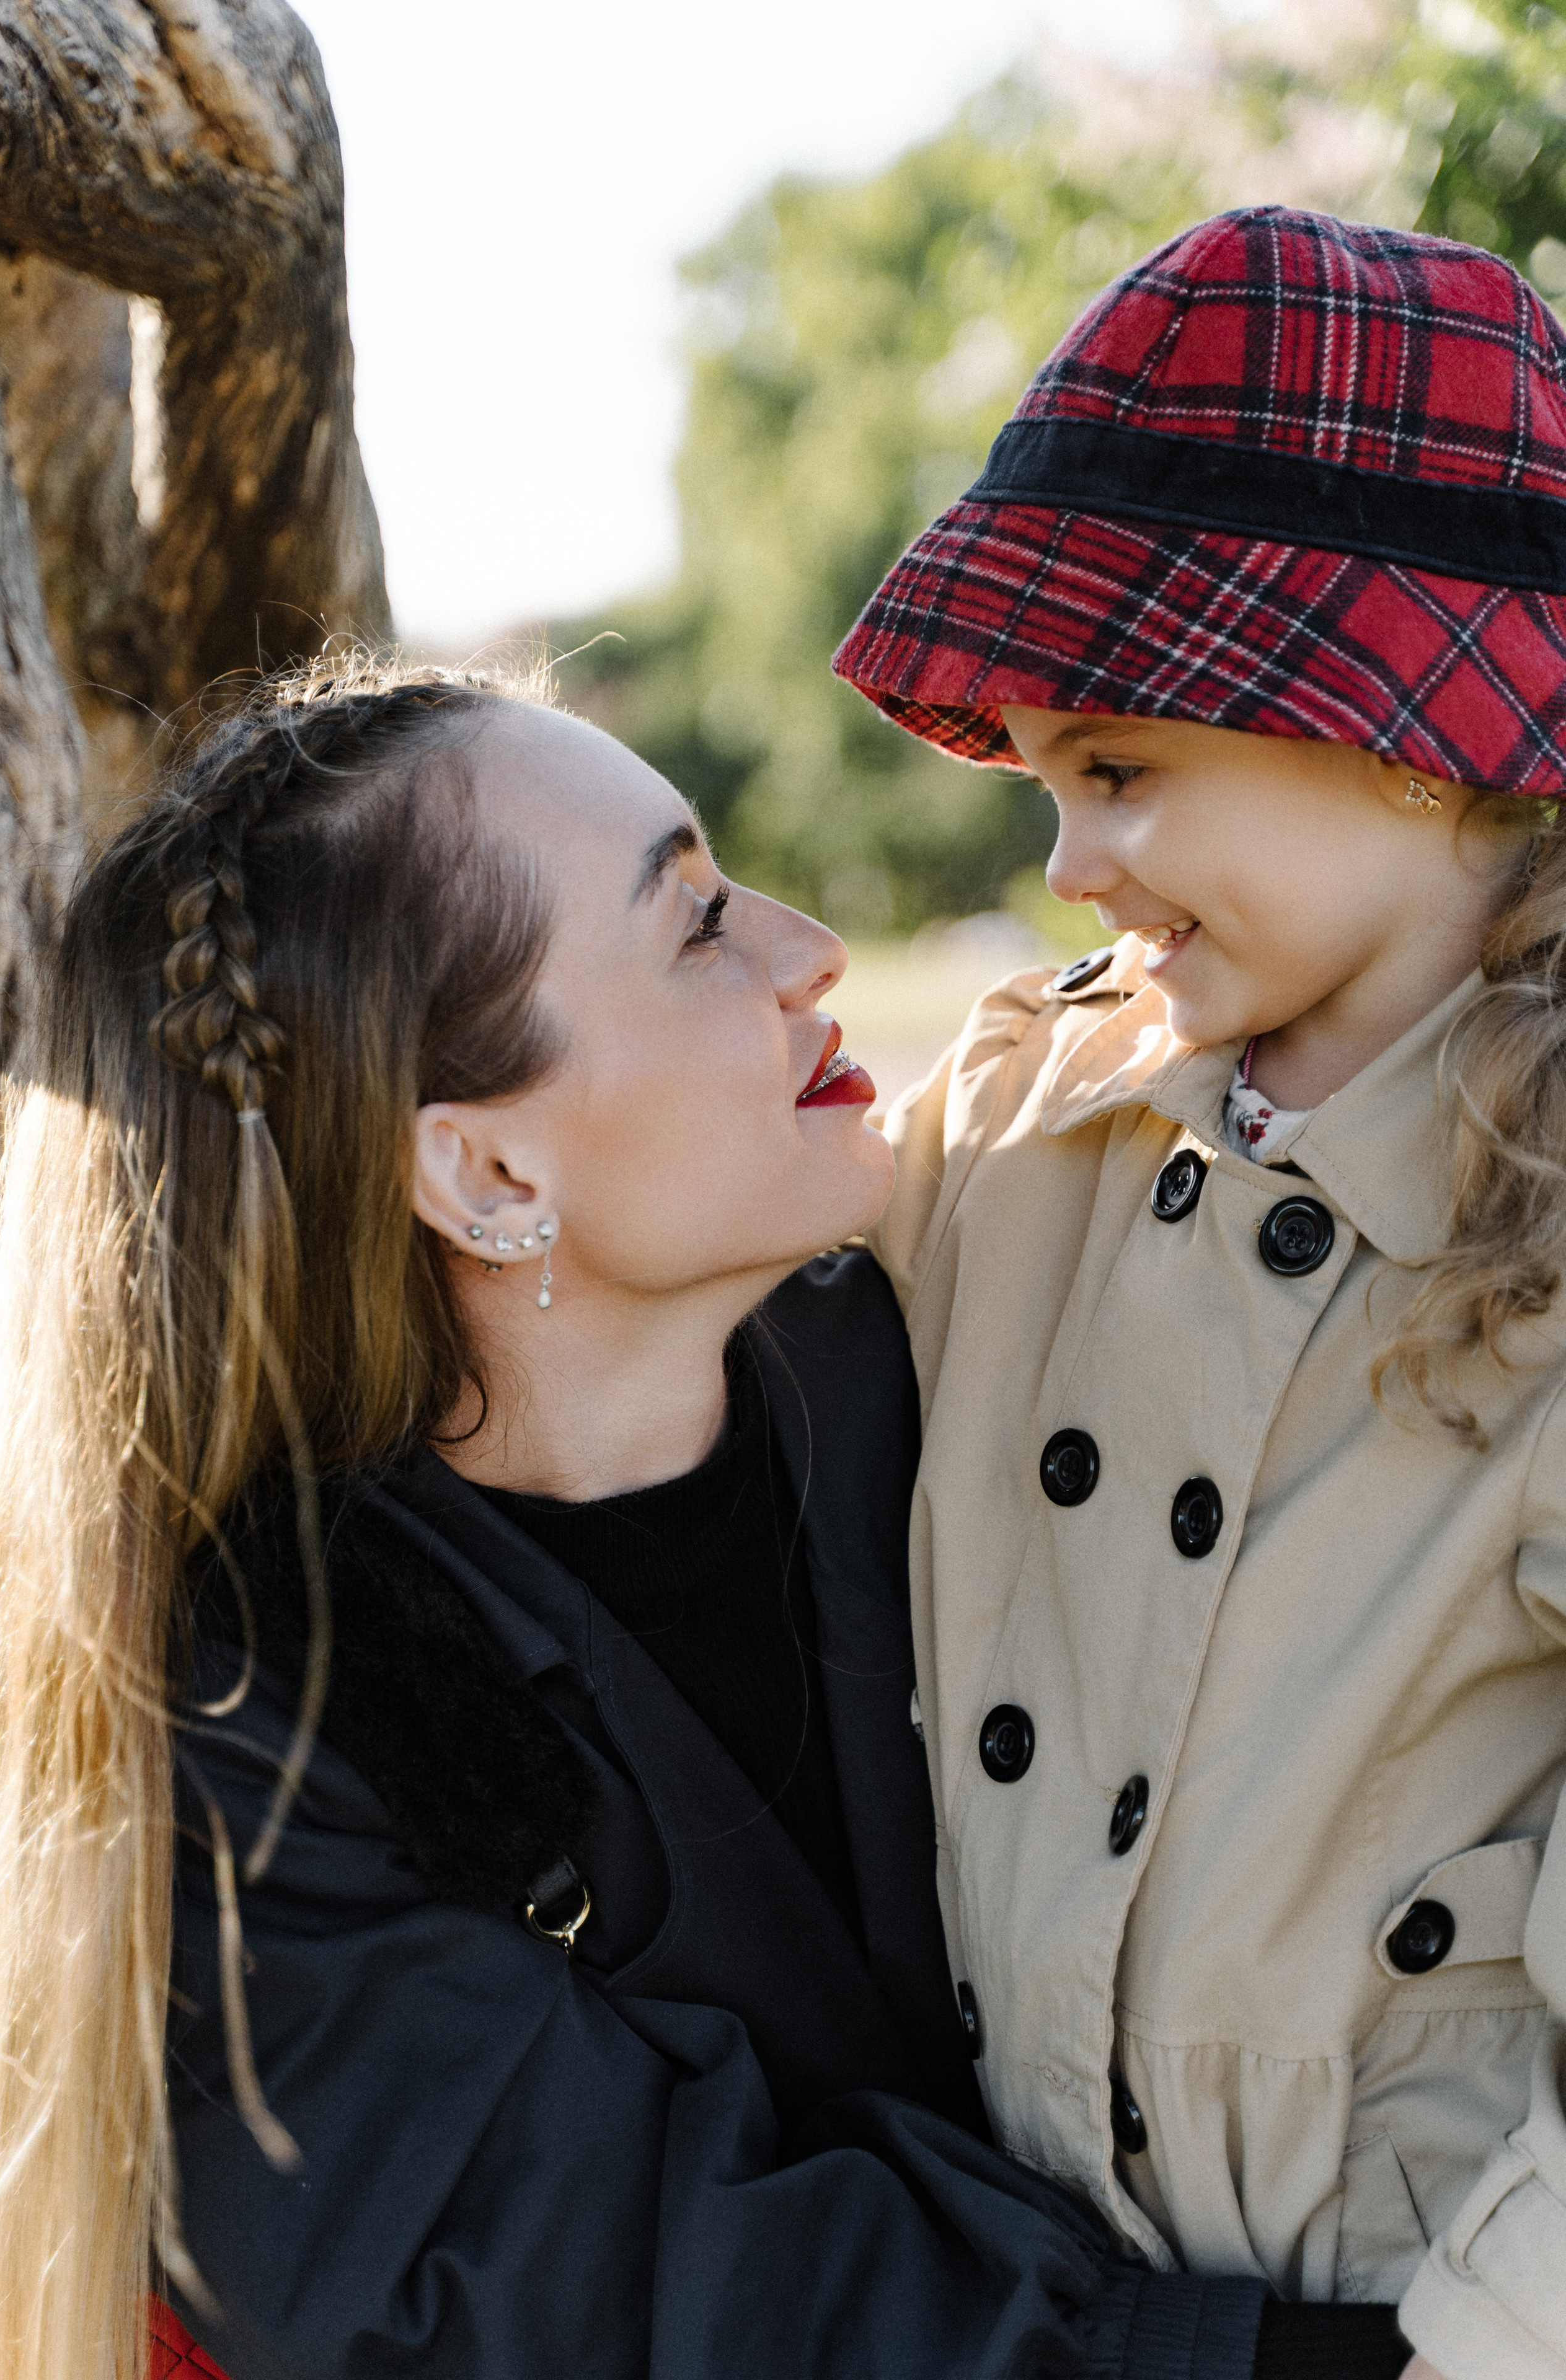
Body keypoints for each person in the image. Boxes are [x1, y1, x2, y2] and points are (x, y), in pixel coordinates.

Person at [0, 659, 1409, 2380]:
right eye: (698, 924)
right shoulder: (230, 1734)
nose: (811, 947)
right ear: (490, 1180)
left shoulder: (964, 1358)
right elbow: (648, 2293)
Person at [833, 205, 1566, 2380]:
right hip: (1024, 2296)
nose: (1065, 868)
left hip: (1412, 2320)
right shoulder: (1020, 1127)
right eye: (1052, 784)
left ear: (1408, 730)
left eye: (1123, 772)